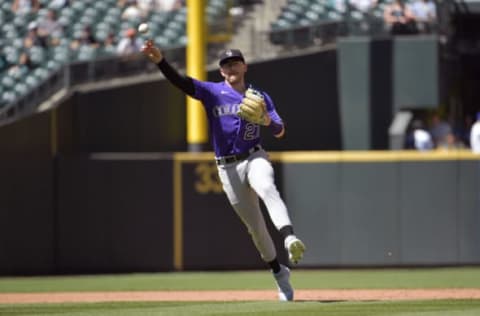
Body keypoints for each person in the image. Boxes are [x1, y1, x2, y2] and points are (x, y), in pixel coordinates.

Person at [141, 43, 306, 301]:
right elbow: (182, 83)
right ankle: (279, 273)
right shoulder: (212, 92)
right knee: (255, 228)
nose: (232, 67)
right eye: (227, 64)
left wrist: (267, 121)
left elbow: (280, 130)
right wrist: (161, 61)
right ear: (221, 70)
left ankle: (289, 237)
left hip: (254, 156)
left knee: (266, 187)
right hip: (226, 167)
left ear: (244, 66)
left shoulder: (259, 95)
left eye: (236, 62)